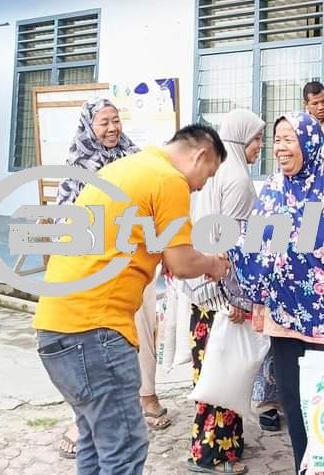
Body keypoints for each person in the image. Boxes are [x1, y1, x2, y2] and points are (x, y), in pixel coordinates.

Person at [32, 125, 231, 475]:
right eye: (208, 174)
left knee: (96, 442)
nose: (201, 185)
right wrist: (215, 265)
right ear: (201, 155)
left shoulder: (122, 168)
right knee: (124, 449)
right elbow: (182, 262)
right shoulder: (169, 179)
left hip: (55, 326)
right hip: (95, 331)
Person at [233, 112, 324, 473]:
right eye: (276, 139)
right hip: (285, 323)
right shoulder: (274, 190)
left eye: (288, 139)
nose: (279, 147)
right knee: (295, 413)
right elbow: (257, 249)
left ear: (309, 143)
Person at [53, 100, 170, 460]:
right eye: (104, 122)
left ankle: (147, 395)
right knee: (101, 343)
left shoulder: (134, 157)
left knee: (145, 330)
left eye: (116, 121)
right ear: (90, 126)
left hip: (138, 264)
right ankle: (84, 419)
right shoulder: (77, 165)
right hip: (98, 270)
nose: (111, 128)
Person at [186, 109, 265, 475]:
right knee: (223, 373)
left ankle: (226, 446)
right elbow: (231, 246)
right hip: (221, 295)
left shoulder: (217, 174)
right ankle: (210, 456)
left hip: (202, 290)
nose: (261, 147)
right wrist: (236, 299)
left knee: (212, 372)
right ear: (239, 138)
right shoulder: (238, 180)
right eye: (257, 139)